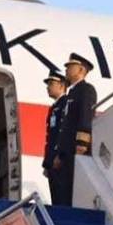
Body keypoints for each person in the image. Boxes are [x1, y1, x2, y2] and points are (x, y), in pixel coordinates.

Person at [50, 53, 97, 206]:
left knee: (69, 194)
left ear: (81, 70)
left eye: (70, 67)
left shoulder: (86, 90)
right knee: (61, 193)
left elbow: (85, 117)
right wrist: (60, 153)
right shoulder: (72, 93)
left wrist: (81, 145)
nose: (66, 70)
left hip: (75, 150)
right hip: (66, 152)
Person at [41, 70, 67, 200]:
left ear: (61, 85)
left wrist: (58, 156)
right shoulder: (54, 107)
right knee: (55, 196)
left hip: (58, 160)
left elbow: (62, 133)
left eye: (51, 83)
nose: (48, 87)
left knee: (61, 196)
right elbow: (50, 138)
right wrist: (47, 163)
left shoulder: (65, 104)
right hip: (52, 160)